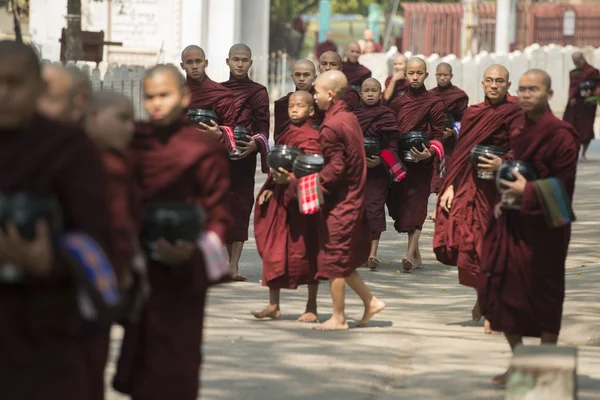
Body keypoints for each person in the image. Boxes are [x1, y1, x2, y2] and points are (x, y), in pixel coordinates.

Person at [0, 40, 113, 400]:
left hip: (46, 329)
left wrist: (48, 261)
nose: (3, 94)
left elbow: (97, 239)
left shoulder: (70, 149)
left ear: (37, 87)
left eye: (14, 83)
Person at [112, 64, 232, 400]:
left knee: (178, 359)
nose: (156, 104)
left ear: (183, 97)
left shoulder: (202, 147)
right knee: (140, 351)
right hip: (140, 266)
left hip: (184, 271)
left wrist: (194, 251)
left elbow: (218, 212)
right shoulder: (134, 140)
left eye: (164, 95)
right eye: (149, 97)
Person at [478, 69, 578, 385]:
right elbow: (516, 162)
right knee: (502, 291)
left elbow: (564, 187)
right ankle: (519, 363)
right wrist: (503, 171)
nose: (525, 94)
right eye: (521, 89)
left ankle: (546, 365)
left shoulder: (562, 134)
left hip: (546, 226)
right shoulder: (519, 128)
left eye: (533, 89)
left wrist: (529, 191)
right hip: (513, 222)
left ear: (549, 95)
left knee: (546, 295)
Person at [433, 64, 522, 334]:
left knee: (495, 247)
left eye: (499, 81)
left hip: (501, 187)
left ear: (508, 85)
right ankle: (483, 298)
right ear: (482, 83)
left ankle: (492, 307)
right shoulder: (474, 113)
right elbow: (460, 153)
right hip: (473, 185)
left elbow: (522, 147)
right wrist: (448, 187)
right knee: (470, 243)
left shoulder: (515, 111)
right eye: (489, 81)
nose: (494, 85)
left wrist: (503, 162)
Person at [309, 70, 386, 331]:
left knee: (334, 260)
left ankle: (338, 317)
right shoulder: (348, 117)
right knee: (342, 258)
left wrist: (312, 186)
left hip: (341, 201)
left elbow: (335, 168)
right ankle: (371, 301)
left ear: (330, 94)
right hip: (353, 196)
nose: (314, 96)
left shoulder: (331, 125)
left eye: (317, 91)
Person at [252, 91, 321, 322]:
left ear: (311, 111)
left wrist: (290, 181)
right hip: (281, 199)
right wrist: (271, 188)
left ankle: (311, 306)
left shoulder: (313, 137)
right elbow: (277, 166)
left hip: (302, 203)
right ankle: (274, 305)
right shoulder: (286, 134)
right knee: (274, 250)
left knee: (308, 252)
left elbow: (313, 174)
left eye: (300, 106)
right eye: (291, 105)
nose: (293, 110)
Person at [389, 57, 444, 272]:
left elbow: (438, 134)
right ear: (405, 75)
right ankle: (417, 255)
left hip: (422, 163)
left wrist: (428, 154)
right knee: (401, 206)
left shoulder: (434, 103)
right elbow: (391, 134)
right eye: (411, 73)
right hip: (401, 162)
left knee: (417, 206)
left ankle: (409, 254)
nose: (414, 77)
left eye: (419, 73)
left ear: (426, 75)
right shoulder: (397, 103)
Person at [221, 43, 270, 281]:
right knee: (221, 208)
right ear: (227, 62)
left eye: (244, 60)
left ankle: (233, 265)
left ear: (251, 63)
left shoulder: (258, 91)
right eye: (235, 59)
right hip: (220, 158)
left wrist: (255, 144)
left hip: (244, 157)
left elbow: (263, 128)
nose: (240, 64)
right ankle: (223, 263)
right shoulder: (217, 91)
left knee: (241, 208)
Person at [353, 78, 403, 271]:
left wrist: (381, 160)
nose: (370, 94)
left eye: (374, 90)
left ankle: (373, 253)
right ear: (361, 94)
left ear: (381, 92)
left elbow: (393, 144)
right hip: (358, 171)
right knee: (359, 212)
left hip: (379, 173)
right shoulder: (354, 115)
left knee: (374, 209)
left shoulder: (387, 115)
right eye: (367, 91)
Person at [429, 62, 469, 194]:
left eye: (445, 75)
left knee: (449, 171)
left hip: (451, 141)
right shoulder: (430, 95)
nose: (442, 78)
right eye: (439, 75)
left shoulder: (458, 95)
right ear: (435, 75)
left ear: (451, 75)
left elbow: (463, 119)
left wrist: (452, 131)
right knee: (433, 172)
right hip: (433, 138)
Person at [180, 45, 236, 137]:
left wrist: (219, 135)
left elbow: (230, 129)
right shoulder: (177, 95)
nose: (194, 66)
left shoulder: (221, 94)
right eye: (189, 62)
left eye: (198, 61)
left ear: (206, 63)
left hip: (213, 147)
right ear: (182, 66)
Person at [562, 51, 600, 162]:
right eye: (574, 61)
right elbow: (572, 88)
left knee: (586, 129)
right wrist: (571, 98)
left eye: (578, 61)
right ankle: (572, 152)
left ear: (583, 59)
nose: (576, 63)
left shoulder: (593, 72)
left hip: (587, 104)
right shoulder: (573, 73)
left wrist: (593, 93)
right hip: (574, 105)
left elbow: (598, 86)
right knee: (570, 126)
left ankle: (583, 153)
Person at [273, 59, 317, 141]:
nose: (301, 79)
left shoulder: (319, 102)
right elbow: (279, 136)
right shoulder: (283, 103)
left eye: (306, 75)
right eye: (297, 75)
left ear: (314, 78)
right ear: (292, 77)